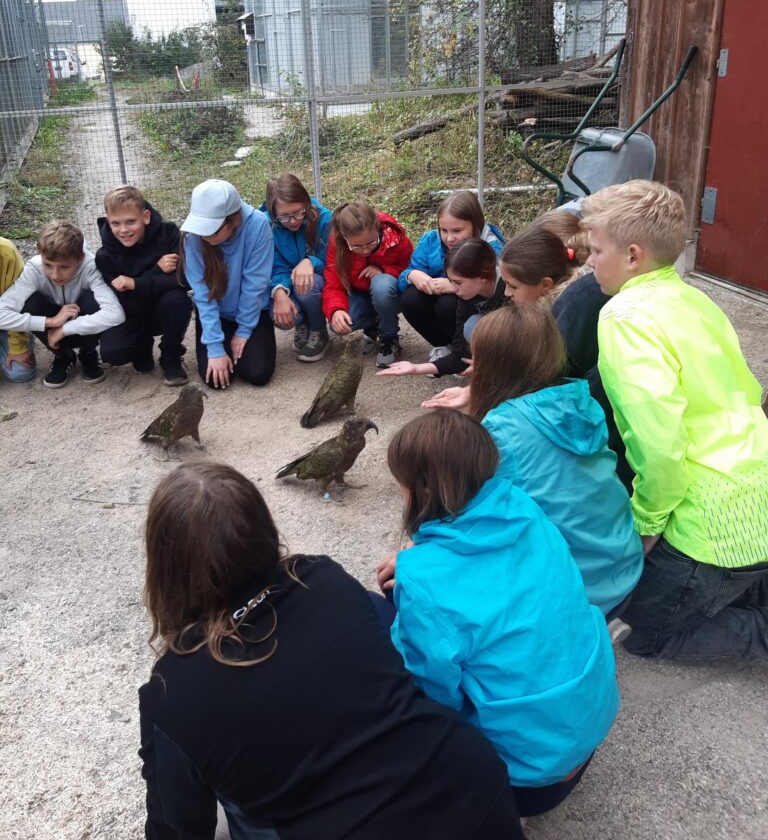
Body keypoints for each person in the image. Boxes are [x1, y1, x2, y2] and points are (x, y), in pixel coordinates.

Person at [140, 461, 526, 840]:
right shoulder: (321, 577)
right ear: (262, 528)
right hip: (471, 790)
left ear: (165, 570)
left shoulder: (171, 692)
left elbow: (175, 829)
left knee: (224, 816)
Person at [377, 410, 618, 817]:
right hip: (588, 725)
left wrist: (416, 574)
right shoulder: (524, 507)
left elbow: (432, 699)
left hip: (526, 781)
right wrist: (422, 559)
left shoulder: (423, 581)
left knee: (379, 614)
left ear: (422, 490)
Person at [580, 179, 768, 660]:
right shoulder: (695, 298)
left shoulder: (623, 317)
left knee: (642, 633)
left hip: (709, 529)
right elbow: (748, 390)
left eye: (595, 251)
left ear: (633, 255)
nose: (587, 262)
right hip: (756, 493)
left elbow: (659, 447)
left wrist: (645, 527)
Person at [426, 304, 641, 620]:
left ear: (491, 365)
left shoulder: (500, 429)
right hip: (621, 563)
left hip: (579, 590)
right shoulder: (579, 399)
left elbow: (466, 514)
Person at [495, 211, 632, 490]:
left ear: (545, 285)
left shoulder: (573, 307)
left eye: (512, 286)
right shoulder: (562, 302)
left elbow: (552, 378)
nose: (506, 293)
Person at [0, 221, 124, 388]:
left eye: (64, 267)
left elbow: (116, 314)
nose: (55, 274)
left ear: (80, 258)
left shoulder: (91, 265)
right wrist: (50, 322)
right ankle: (63, 355)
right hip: (52, 331)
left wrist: (65, 329)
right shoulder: (34, 268)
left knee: (93, 299)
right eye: (48, 265)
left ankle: (88, 352)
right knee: (29, 301)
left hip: (81, 325)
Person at [180, 180, 275, 389]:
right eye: (201, 229)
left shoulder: (258, 224)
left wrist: (243, 330)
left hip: (252, 310)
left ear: (234, 220)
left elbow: (255, 285)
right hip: (217, 312)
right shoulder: (191, 237)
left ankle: (244, 336)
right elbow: (203, 295)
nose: (204, 236)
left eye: (212, 231)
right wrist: (215, 347)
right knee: (215, 380)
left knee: (258, 373)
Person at [95, 185, 192, 386]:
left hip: (163, 308)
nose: (124, 230)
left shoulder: (168, 233)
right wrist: (156, 270)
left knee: (177, 299)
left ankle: (171, 354)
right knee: (114, 352)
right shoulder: (105, 256)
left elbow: (183, 280)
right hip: (132, 313)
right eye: (116, 223)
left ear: (145, 217)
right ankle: (142, 344)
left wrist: (134, 282)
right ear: (108, 221)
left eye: (131, 221)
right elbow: (126, 300)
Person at [398, 191, 504, 362]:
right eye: (443, 230)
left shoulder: (490, 247)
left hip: (471, 305)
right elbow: (402, 279)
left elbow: (494, 288)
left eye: (457, 230)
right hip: (441, 296)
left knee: (447, 305)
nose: (449, 238)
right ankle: (443, 345)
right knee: (410, 299)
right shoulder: (430, 240)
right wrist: (412, 275)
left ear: (476, 224)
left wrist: (454, 285)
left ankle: (466, 350)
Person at [377, 238, 504, 381]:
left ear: (483, 275)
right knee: (470, 328)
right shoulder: (467, 297)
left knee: (479, 327)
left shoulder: (510, 288)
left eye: (458, 282)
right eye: (451, 281)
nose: (453, 288)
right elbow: (458, 355)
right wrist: (416, 368)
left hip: (519, 340)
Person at [321, 202, 413, 369]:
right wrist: (336, 310)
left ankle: (389, 338)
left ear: (377, 228)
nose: (365, 250)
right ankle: (374, 325)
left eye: (371, 242)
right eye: (356, 246)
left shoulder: (394, 236)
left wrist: (383, 269)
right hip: (361, 295)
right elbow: (332, 283)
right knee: (339, 324)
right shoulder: (337, 243)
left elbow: (411, 269)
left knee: (381, 284)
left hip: (390, 293)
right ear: (344, 237)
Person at [261, 173, 331, 363]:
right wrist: (279, 291)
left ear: (306, 203)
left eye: (298, 213)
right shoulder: (264, 225)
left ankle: (318, 329)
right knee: (278, 314)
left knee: (308, 285)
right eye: (284, 216)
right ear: (272, 212)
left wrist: (311, 262)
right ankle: (302, 323)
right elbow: (272, 266)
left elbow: (333, 260)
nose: (293, 221)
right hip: (286, 281)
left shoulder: (324, 219)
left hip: (317, 282)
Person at [0, 236, 36, 383]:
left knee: (20, 373)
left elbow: (18, 301)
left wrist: (17, 347)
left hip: (5, 319)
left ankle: (25, 336)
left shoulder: (5, 251)